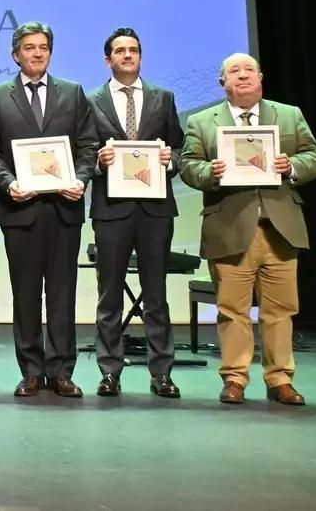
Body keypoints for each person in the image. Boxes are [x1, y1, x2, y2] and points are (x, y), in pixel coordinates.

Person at [179, 53, 316, 406]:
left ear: (260, 77)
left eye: (249, 70)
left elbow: (315, 157)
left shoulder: (288, 115)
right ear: (223, 82)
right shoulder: (202, 121)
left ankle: (280, 379)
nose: (242, 76)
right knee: (232, 310)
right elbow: (188, 165)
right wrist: (209, 172)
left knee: (281, 309)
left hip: (280, 227)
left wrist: (290, 165)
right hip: (229, 225)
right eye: (234, 71)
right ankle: (235, 378)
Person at [0, 21, 100, 398]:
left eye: (43, 47)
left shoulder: (73, 92)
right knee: (26, 294)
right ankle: (31, 370)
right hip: (21, 208)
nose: (37, 53)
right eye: (29, 47)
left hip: (64, 207)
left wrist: (81, 178)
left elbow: (88, 145)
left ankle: (62, 370)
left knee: (63, 293)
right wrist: (8, 182)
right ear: (16, 54)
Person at [87, 27, 184, 398]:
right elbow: (83, 149)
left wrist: (169, 159)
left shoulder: (163, 97)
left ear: (140, 57)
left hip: (155, 208)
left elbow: (178, 146)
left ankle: (162, 373)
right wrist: (98, 159)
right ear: (107, 59)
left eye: (133, 50)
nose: (127, 56)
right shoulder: (90, 100)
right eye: (120, 51)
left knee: (156, 293)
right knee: (109, 294)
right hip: (111, 208)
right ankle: (109, 370)